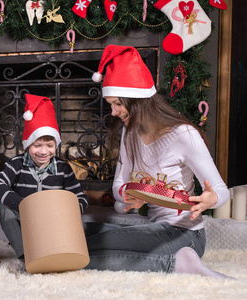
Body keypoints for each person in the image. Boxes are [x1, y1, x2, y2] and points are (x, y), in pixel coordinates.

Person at [84, 44, 233, 279]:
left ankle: (178, 265)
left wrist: (210, 199)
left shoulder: (184, 135)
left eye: (117, 103)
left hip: (185, 234)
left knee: (88, 251)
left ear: (137, 100)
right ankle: (173, 262)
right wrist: (127, 196)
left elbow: (223, 192)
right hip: (154, 228)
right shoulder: (129, 132)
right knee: (80, 233)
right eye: (111, 104)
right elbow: (119, 186)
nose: (112, 112)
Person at [0, 94, 89, 259]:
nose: (43, 151)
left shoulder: (63, 169)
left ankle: (60, 249)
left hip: (53, 221)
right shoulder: (16, 164)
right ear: (27, 145)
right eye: (37, 145)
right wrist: (24, 206)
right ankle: (24, 255)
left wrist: (67, 212)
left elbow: (80, 197)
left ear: (56, 144)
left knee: (80, 224)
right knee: (3, 206)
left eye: (49, 145)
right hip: (25, 220)